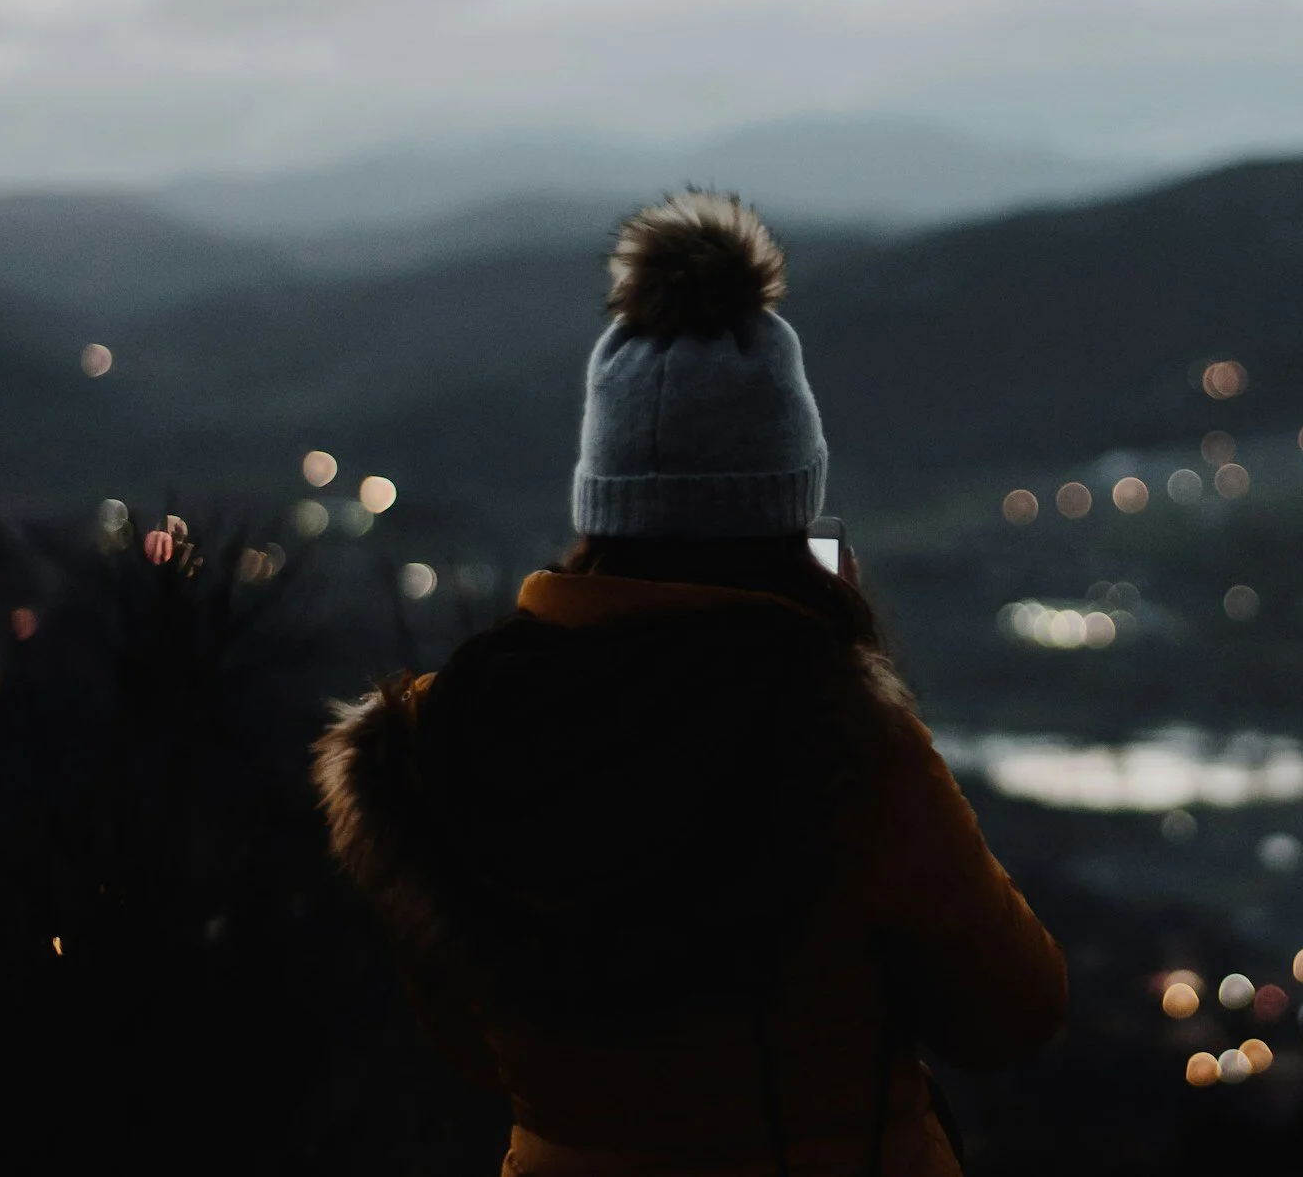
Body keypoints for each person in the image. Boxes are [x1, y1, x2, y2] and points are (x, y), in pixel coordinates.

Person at [313, 192, 1066, 1176]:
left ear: (599, 507)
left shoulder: (436, 738)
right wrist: (857, 657)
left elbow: (466, 1037)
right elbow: (1013, 1008)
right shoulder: (834, 735)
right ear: (793, 512)